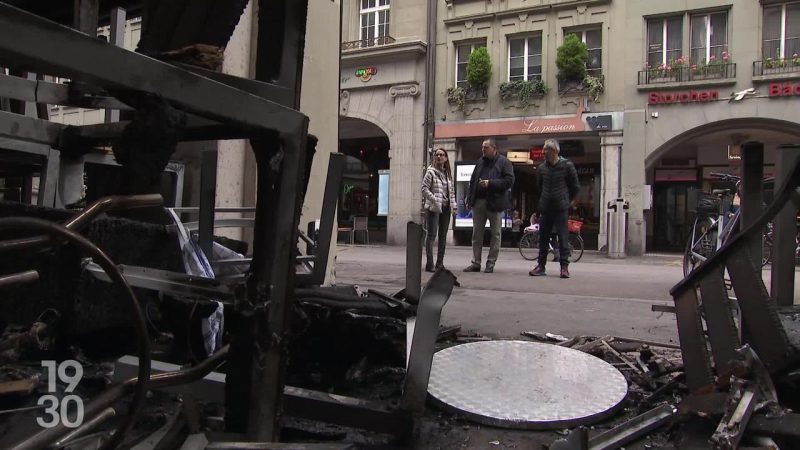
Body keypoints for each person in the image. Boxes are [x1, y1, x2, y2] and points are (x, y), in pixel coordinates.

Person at [529, 139, 580, 278]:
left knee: (563, 238)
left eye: (548, 150)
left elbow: (575, 186)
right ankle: (541, 266)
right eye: (544, 149)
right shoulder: (541, 168)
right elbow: (539, 188)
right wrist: (540, 204)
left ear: (556, 151)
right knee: (543, 239)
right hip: (545, 208)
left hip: (560, 208)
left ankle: (564, 267)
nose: (544, 152)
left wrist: (567, 201)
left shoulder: (567, 166)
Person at [464, 138, 515, 273]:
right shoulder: (480, 162)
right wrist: (470, 199)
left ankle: (490, 263)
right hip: (479, 202)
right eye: (482, 147)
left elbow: (509, 181)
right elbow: (473, 181)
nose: (483, 150)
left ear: (494, 148)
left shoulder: (504, 162)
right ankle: (476, 262)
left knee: (496, 234)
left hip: (495, 203)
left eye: (485, 147)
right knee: (476, 234)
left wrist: (490, 183)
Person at [422, 148, 457, 272]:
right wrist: (435, 199)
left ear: (446, 158)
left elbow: (451, 192)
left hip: (446, 208)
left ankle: (440, 264)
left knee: (442, 236)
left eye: (442, 155)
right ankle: (429, 264)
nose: (439, 157)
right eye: (437, 155)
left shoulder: (447, 174)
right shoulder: (430, 172)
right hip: (433, 208)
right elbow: (424, 188)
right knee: (431, 236)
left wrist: (454, 206)